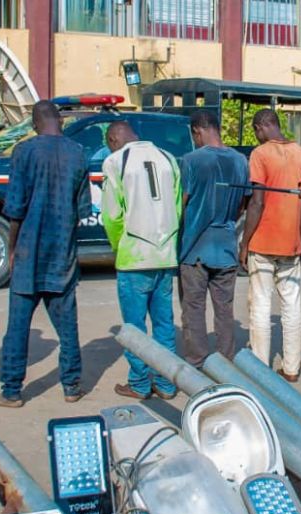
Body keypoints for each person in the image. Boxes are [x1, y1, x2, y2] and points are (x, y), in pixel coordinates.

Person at [0, 100, 88, 408]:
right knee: (68, 325)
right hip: (62, 254)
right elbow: (80, 210)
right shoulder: (77, 153)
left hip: (29, 252)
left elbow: (15, 207)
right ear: (61, 122)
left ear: (34, 124)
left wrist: (12, 249)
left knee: (17, 326)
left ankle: (11, 390)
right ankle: (71, 386)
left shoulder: (24, 152)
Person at [100, 121, 181, 400]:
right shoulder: (168, 158)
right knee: (164, 324)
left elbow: (111, 215)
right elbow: (178, 206)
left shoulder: (115, 161)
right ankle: (167, 383)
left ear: (113, 139)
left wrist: (118, 245)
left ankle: (139, 383)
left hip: (134, 257)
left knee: (135, 328)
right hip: (165, 254)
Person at [239, 109, 301, 383]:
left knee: (259, 303)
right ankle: (292, 368)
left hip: (263, 241)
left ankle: (260, 370)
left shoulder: (260, 155)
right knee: (291, 305)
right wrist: (300, 242)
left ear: (261, 127)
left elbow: (256, 202)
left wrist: (244, 243)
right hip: (291, 242)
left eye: (256, 130)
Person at [178, 110, 250, 367]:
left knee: (194, 310)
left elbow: (182, 203)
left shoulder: (191, 160)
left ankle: (197, 362)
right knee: (224, 310)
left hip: (195, 248)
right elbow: (243, 203)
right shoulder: (241, 161)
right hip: (226, 247)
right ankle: (225, 362)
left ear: (197, 131)